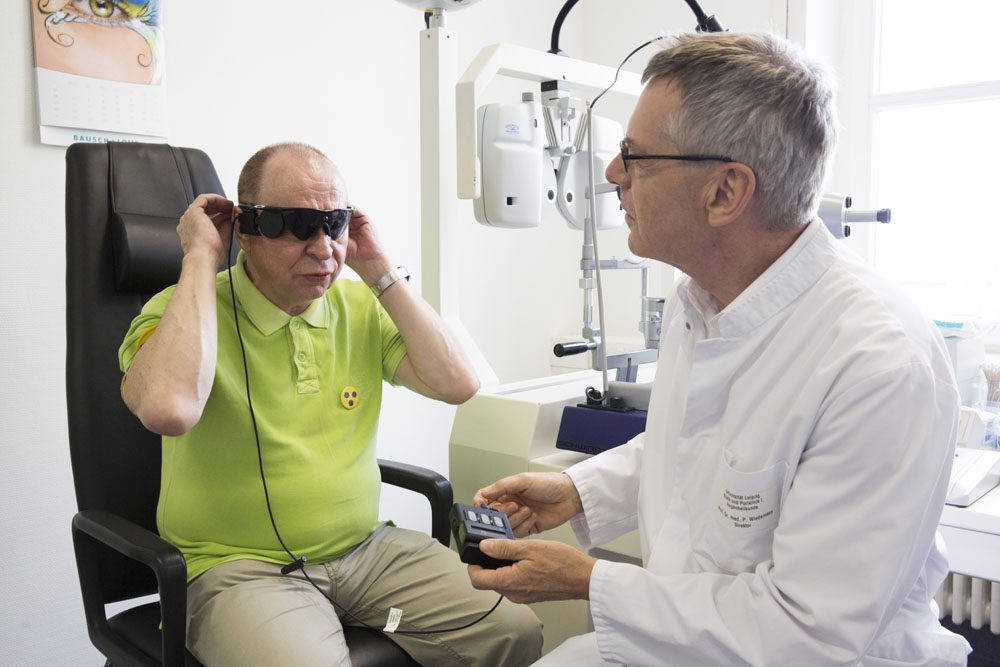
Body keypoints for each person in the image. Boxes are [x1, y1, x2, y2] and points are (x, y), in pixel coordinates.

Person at [467, 32, 971, 667]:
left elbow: (807, 634)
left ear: (726, 193)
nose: (613, 174)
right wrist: (576, 490)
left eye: (635, 155)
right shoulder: (700, 298)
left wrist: (586, 580)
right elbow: (689, 449)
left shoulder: (877, 362)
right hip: (691, 637)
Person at [118, 142, 542, 666]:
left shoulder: (359, 304)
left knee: (513, 628)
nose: (324, 249)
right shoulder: (183, 310)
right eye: (298, 224)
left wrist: (379, 268)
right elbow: (168, 409)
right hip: (237, 570)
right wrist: (201, 256)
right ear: (247, 231)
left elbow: (458, 382)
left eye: (335, 222)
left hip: (368, 554)